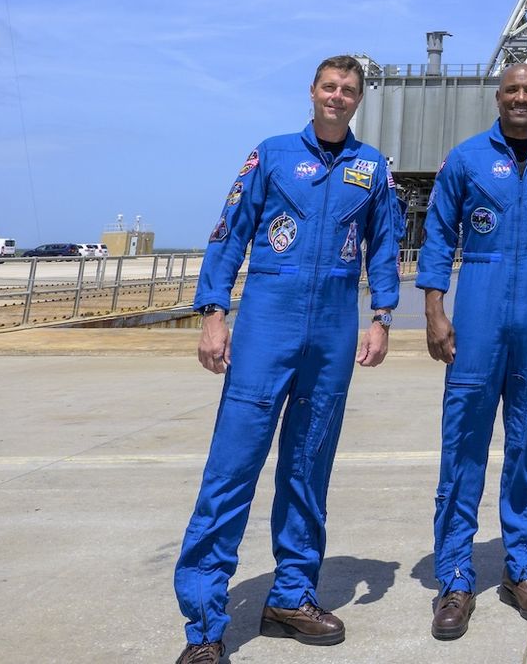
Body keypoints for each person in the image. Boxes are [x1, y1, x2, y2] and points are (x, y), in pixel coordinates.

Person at [172, 55, 404, 664]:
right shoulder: (271, 155)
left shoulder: (371, 167)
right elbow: (230, 231)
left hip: (331, 330)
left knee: (307, 468)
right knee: (231, 471)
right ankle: (204, 627)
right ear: (313, 92)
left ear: (359, 99)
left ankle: (291, 594)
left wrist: (382, 316)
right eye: (330, 87)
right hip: (266, 323)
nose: (338, 97)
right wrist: (214, 312)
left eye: (349, 90)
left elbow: (384, 244)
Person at [416, 63, 527, 640]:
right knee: (463, 445)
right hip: (479, 311)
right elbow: (439, 234)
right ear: (499, 97)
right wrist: (435, 308)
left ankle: (523, 571)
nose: (521, 98)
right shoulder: (465, 159)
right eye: (513, 90)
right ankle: (456, 579)